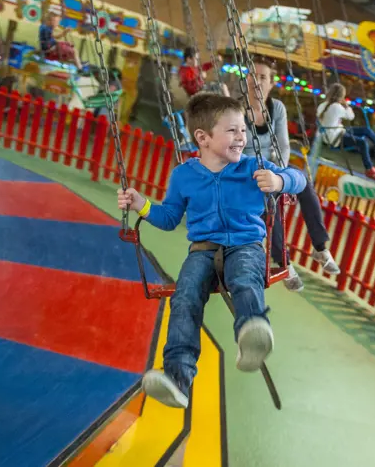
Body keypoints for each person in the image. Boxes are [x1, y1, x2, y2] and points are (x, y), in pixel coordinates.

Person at [117, 93, 306, 409]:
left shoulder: (254, 168)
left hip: (245, 244)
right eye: (232, 130)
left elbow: (298, 180)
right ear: (203, 138)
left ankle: (251, 334)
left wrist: (278, 179)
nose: (242, 137)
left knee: (245, 277)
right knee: (185, 296)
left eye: (243, 130)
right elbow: (169, 218)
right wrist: (142, 205)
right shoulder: (184, 176)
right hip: (202, 250)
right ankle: (178, 378)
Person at [240, 54, 341, 292]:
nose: (258, 82)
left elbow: (284, 145)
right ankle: (283, 262)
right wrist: (266, 176)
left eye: (263, 77)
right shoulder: (236, 110)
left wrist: (281, 175)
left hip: (276, 166)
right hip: (248, 171)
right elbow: (236, 150)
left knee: (303, 181)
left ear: (271, 82)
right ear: (246, 81)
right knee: (269, 205)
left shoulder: (277, 109)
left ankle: (320, 246)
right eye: (253, 76)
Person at [316, 83, 375, 181]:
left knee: (365, 130)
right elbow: (351, 116)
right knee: (362, 142)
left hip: (333, 134)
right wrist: (346, 105)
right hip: (336, 137)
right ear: (341, 96)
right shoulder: (337, 107)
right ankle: (369, 168)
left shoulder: (322, 105)